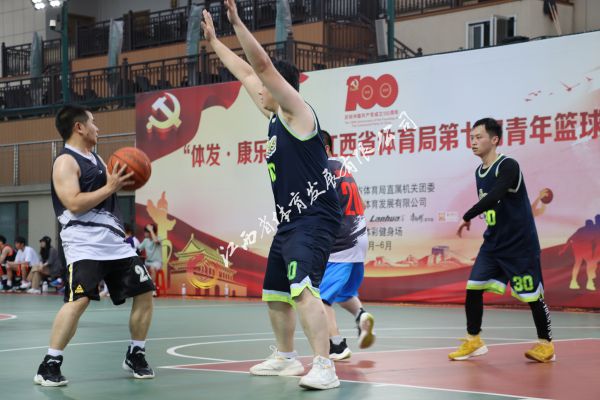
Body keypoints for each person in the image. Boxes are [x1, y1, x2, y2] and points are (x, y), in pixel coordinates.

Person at [202, 1, 342, 390]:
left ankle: (325, 366)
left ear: (280, 86)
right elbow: (246, 71)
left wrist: (236, 22)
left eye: (265, 85)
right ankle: (286, 356)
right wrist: (214, 42)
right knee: (277, 293)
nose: (257, 89)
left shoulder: (298, 112)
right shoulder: (275, 118)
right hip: (291, 220)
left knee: (304, 289)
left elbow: (261, 66)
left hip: (314, 217)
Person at [33, 105, 155, 387]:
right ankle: (49, 364)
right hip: (84, 243)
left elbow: (105, 191)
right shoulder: (65, 162)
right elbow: (74, 203)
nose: (97, 128)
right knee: (79, 300)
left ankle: (136, 353)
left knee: (145, 292)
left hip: (115, 242)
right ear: (79, 127)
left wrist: (123, 179)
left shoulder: (98, 158)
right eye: (93, 122)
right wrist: (111, 187)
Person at [451, 118, 554, 363]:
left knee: (532, 295)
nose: (473, 141)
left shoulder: (508, 165)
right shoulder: (479, 171)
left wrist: (467, 215)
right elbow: (491, 205)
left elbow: (496, 195)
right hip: (493, 244)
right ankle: (474, 340)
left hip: (520, 245)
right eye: (471, 137)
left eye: (479, 137)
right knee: (473, 288)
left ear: (494, 139)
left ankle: (546, 345)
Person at [319, 130, 375, 361]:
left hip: (341, 242)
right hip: (359, 239)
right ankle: (361, 316)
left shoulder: (321, 171)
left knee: (319, 299)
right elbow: (362, 203)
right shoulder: (343, 167)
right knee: (344, 293)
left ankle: (337, 345)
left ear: (324, 148)